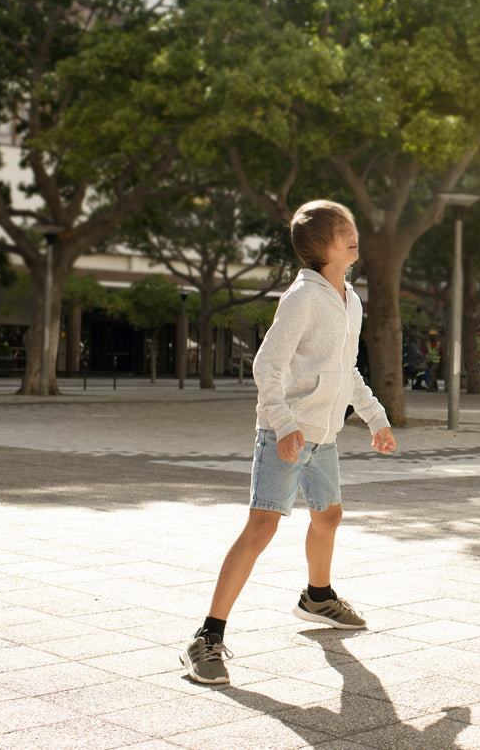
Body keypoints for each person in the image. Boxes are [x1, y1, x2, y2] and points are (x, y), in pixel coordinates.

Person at [180, 200, 398, 686]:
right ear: (319, 247)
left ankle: (317, 597)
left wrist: (375, 419)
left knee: (330, 515)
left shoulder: (350, 299)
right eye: (343, 231)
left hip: (324, 436)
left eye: (351, 228)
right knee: (261, 527)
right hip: (288, 434)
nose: (352, 235)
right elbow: (267, 365)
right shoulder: (302, 299)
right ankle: (206, 637)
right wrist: (281, 423)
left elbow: (347, 371)